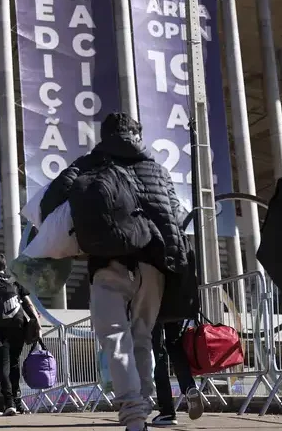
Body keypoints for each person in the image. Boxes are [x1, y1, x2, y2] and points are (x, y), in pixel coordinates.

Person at [40, 112, 190, 431]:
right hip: (154, 261)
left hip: (108, 260)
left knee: (113, 336)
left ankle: (134, 413)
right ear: (137, 134)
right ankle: (144, 403)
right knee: (142, 335)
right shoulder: (156, 168)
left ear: (104, 135)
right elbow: (176, 214)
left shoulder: (90, 162)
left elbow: (52, 198)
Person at [0, 253, 40, 416]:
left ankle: (9, 403)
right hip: (19, 327)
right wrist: (36, 322)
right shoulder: (15, 280)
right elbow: (28, 303)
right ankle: (18, 402)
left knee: (3, 366)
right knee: (14, 363)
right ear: (5, 266)